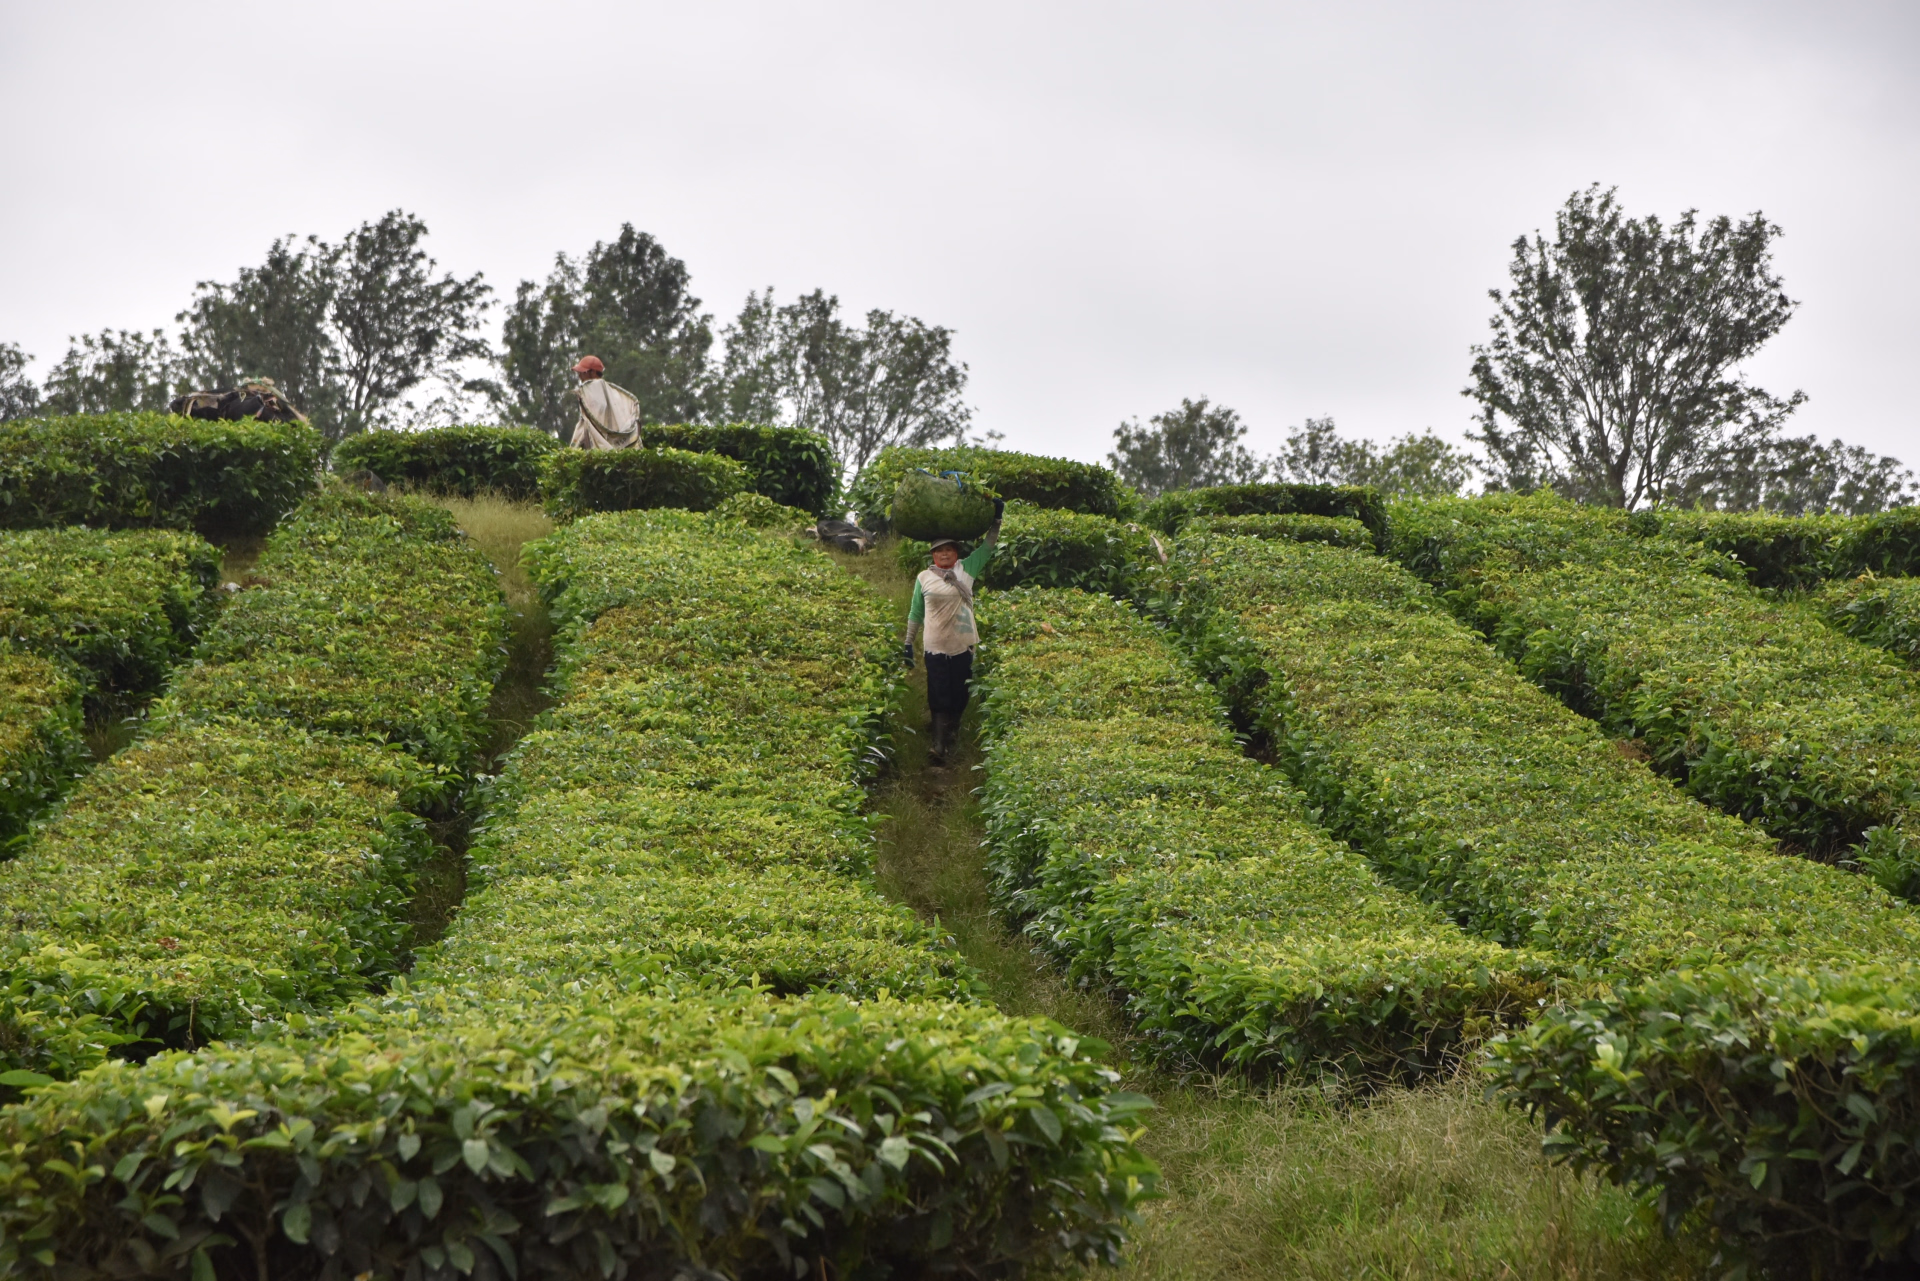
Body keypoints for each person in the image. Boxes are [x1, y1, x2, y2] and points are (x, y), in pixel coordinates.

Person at [901, 498, 1005, 765]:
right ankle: (937, 745)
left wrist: (996, 520)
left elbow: (988, 546)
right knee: (938, 692)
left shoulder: (966, 570)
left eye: (948, 550)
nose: (944, 554)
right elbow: (916, 612)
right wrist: (908, 642)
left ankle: (952, 733)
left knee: (960, 693)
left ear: (956, 553)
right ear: (932, 555)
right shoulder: (924, 578)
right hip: (934, 644)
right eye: (939, 551)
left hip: (963, 643)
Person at [568, 355, 644, 450]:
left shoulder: (596, 387)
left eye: (583, 372)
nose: (580, 376)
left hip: (601, 443)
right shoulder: (607, 390)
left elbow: (597, 415)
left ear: (593, 372)